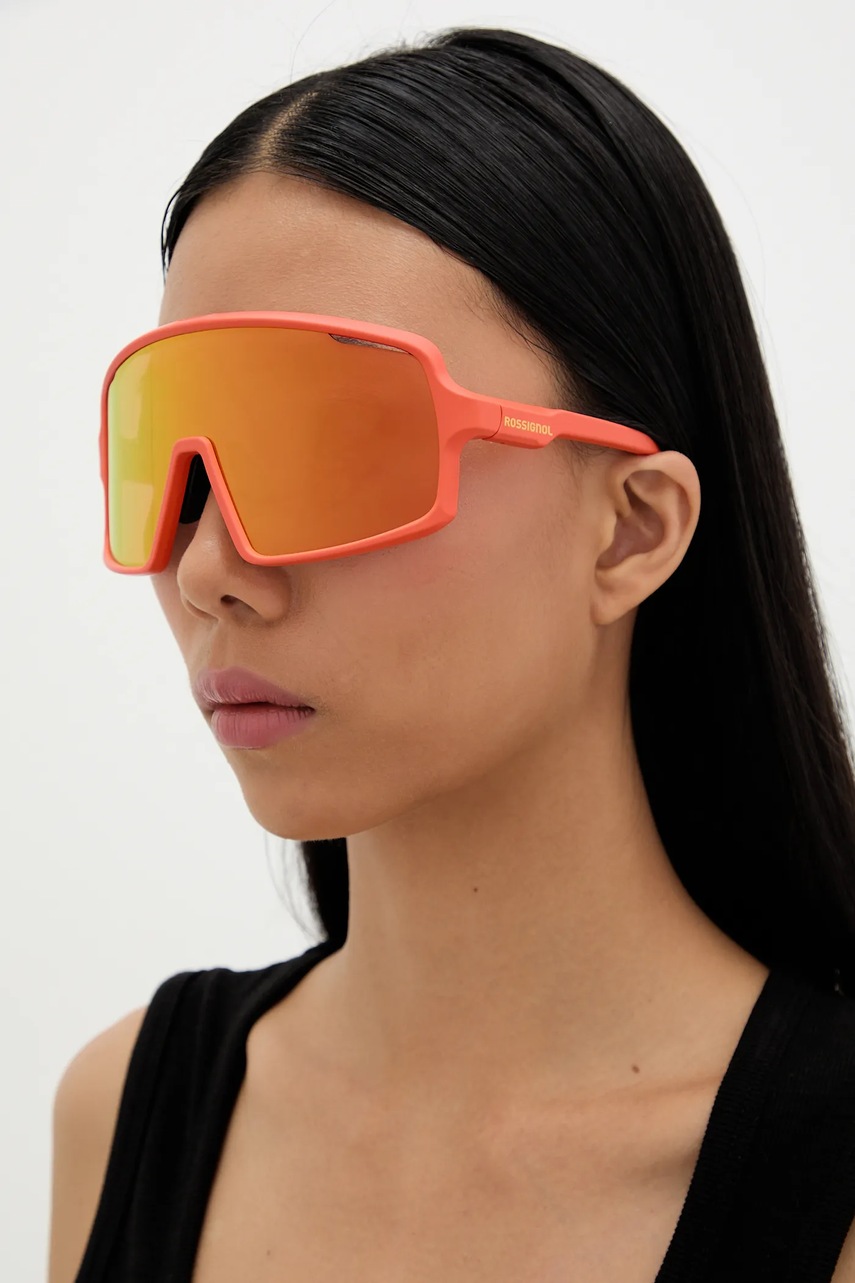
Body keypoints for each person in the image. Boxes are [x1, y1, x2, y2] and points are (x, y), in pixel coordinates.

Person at [49, 25, 855, 1283]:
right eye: (173, 461)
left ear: (632, 528)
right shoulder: (120, 1115)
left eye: (327, 448)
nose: (208, 568)